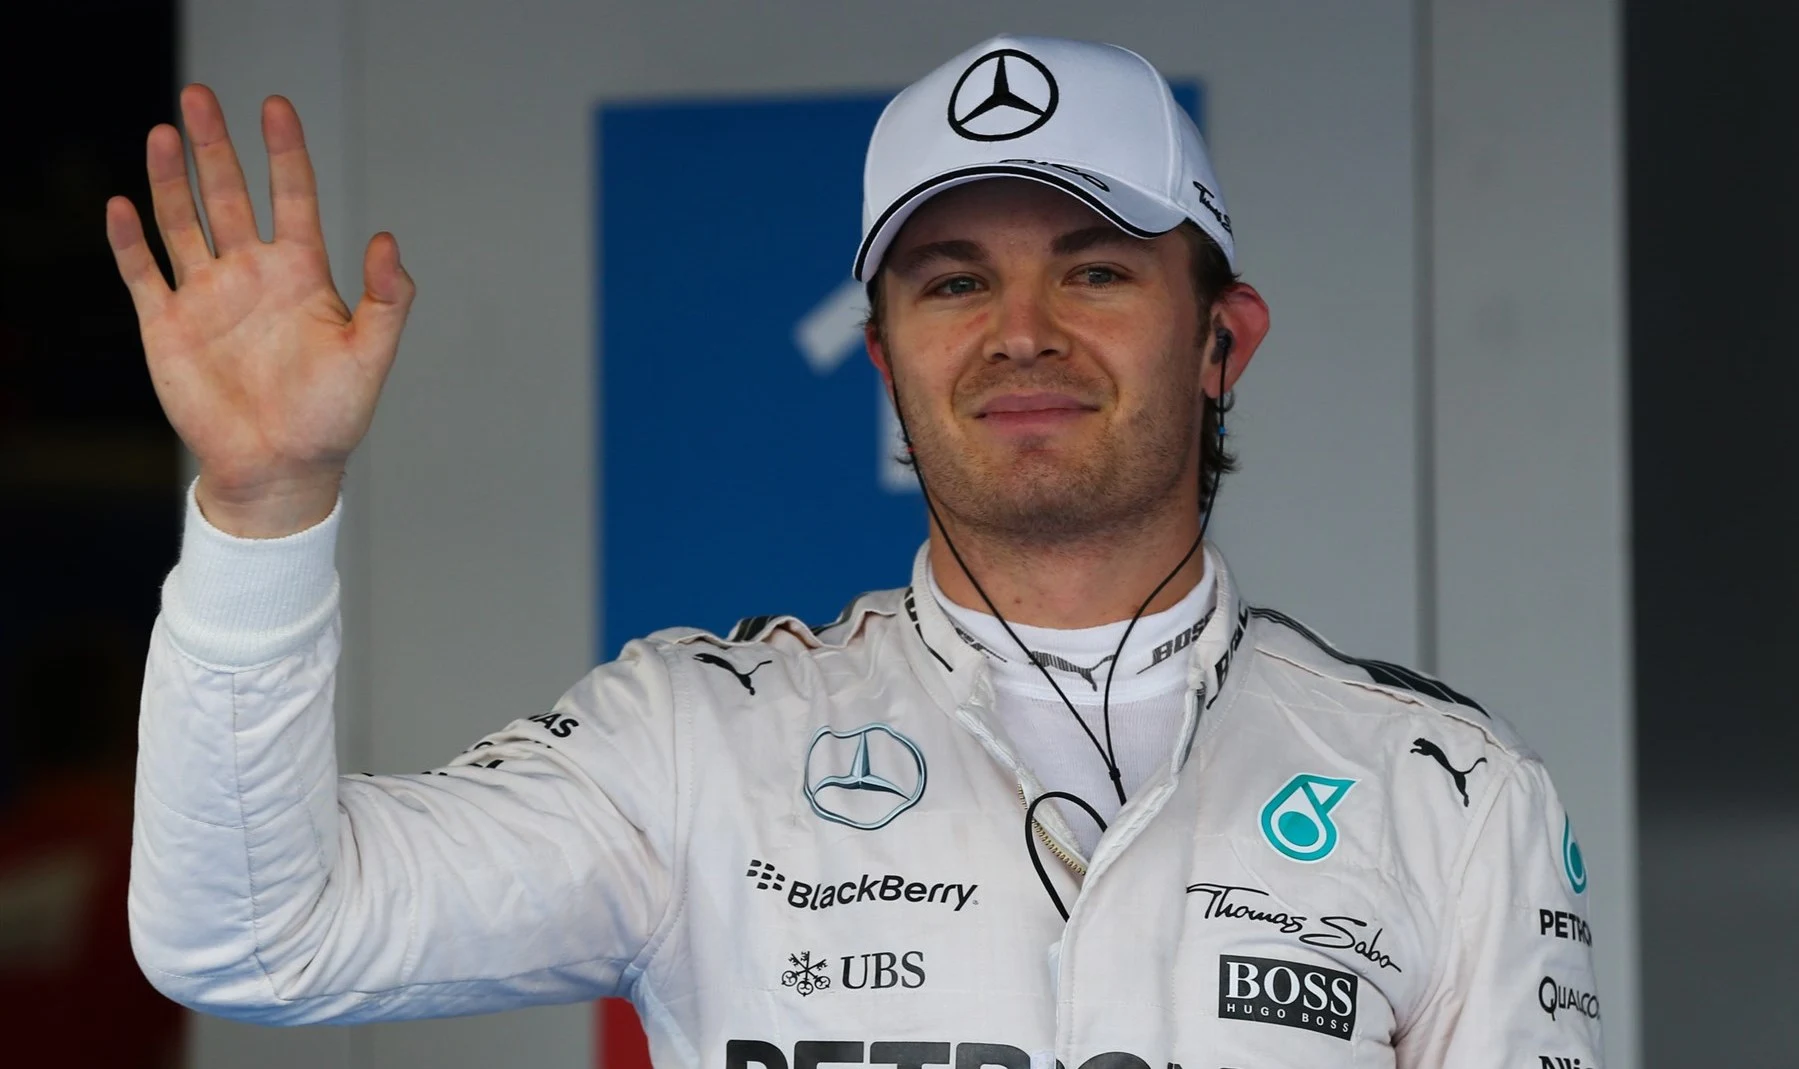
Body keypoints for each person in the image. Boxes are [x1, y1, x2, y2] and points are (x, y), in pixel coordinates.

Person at [111, 34, 1603, 1069]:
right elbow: (253, 935)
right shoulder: (696, 743)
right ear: (885, 361)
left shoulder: (1446, 792)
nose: (1022, 332)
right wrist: (263, 503)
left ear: (1223, 341)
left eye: (1095, 269)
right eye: (953, 282)